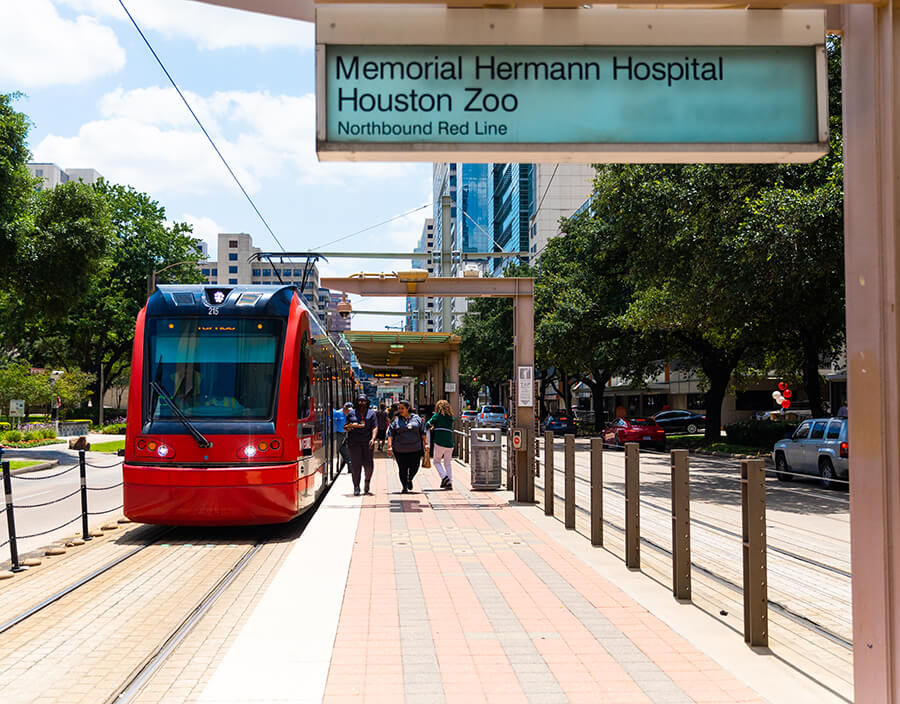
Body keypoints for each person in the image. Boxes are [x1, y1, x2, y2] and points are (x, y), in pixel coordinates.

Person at [386, 401, 427, 494]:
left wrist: (426, 444)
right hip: (400, 449)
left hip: (415, 448)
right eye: (399, 408)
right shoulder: (396, 420)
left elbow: (423, 432)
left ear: (408, 408)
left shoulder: (416, 419)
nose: (400, 410)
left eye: (402, 408)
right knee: (402, 468)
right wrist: (389, 447)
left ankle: (410, 479)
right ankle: (404, 487)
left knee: (415, 467)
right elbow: (390, 434)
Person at [345, 395, 377, 496]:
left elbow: (375, 427)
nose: (361, 403)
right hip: (354, 442)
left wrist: (373, 438)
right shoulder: (351, 413)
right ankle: (356, 486)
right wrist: (349, 427)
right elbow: (345, 426)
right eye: (359, 401)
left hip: (367, 442)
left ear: (367, 402)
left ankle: (367, 480)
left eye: (363, 401)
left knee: (369, 465)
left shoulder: (372, 413)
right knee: (355, 466)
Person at [426, 399, 455, 490]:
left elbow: (427, 424)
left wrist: (432, 426)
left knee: (436, 461)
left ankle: (444, 477)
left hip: (439, 442)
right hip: (450, 443)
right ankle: (449, 482)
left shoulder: (436, 416)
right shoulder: (450, 417)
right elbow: (444, 425)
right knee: (447, 463)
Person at [333, 402, 353, 474]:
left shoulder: (349, 415)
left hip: (344, 434)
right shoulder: (337, 413)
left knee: (345, 451)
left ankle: (350, 467)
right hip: (337, 434)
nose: (349, 411)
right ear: (344, 408)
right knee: (339, 449)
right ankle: (350, 466)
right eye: (348, 410)